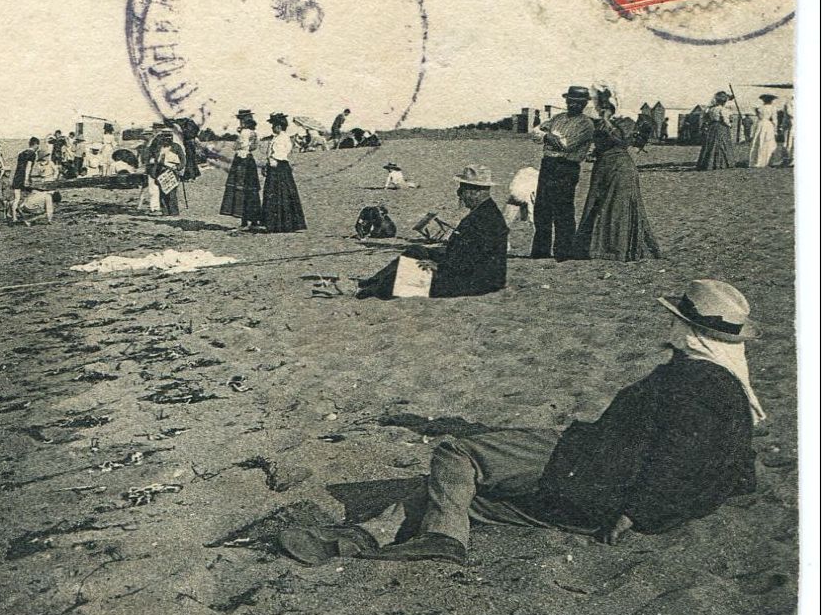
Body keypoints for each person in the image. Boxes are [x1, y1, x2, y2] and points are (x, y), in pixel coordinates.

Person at [278, 279, 762, 566]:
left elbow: (675, 454)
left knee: (456, 454)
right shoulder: (734, 392)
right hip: (599, 506)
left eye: (677, 320)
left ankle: (442, 539)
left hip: (590, 468)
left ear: (691, 330)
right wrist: (642, 513)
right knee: (461, 496)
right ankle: (363, 537)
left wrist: (634, 509)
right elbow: (734, 471)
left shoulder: (687, 382)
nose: (670, 326)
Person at [357, 165, 508, 300]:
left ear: (475, 192)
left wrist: (440, 266)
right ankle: (372, 281)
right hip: (470, 272)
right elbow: (469, 253)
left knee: (406, 275)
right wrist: (439, 258)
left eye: (462, 189)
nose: (458, 194)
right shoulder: (484, 211)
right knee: (415, 251)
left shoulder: (483, 219)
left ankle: (368, 291)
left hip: (475, 281)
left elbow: (471, 260)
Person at [574, 117, 661, 261]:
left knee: (618, 207)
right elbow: (601, 142)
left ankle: (615, 249)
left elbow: (621, 142)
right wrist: (594, 152)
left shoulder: (626, 123)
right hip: (603, 167)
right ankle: (594, 247)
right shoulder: (603, 122)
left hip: (620, 169)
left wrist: (610, 127)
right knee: (597, 205)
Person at [530, 86, 594, 260]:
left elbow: (567, 145)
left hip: (566, 168)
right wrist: (547, 137)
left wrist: (548, 137)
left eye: (578, 102)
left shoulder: (586, 124)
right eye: (571, 101)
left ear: (584, 104)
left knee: (563, 210)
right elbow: (535, 132)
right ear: (566, 101)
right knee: (542, 209)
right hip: (548, 165)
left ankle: (563, 252)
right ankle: (540, 252)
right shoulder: (557, 118)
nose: (573, 105)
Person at [260, 113, 306, 233]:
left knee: (279, 194)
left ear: (279, 126)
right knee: (277, 194)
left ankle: (281, 224)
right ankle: (276, 224)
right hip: (277, 167)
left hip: (278, 167)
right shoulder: (278, 137)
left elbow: (279, 154)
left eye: (274, 125)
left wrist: (271, 162)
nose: (272, 128)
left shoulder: (282, 138)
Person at [219, 108, 263, 229]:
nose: (240, 122)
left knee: (241, 189)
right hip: (249, 159)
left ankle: (244, 221)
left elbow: (236, 146)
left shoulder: (244, 133)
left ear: (244, 121)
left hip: (242, 160)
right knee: (251, 190)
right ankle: (253, 220)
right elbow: (253, 147)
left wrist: (240, 137)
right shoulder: (253, 133)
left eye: (241, 120)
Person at [696, 90, 736, 170]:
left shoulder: (711, 109)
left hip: (712, 127)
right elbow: (725, 120)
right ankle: (721, 164)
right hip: (721, 127)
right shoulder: (723, 109)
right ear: (724, 101)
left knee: (711, 144)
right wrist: (730, 125)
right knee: (722, 144)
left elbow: (706, 119)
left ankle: (707, 163)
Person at [11, 137, 40, 223]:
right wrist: (27, 179)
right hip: (23, 177)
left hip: (17, 176)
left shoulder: (21, 153)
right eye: (38, 145)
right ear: (35, 144)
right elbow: (28, 167)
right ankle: (21, 209)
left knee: (16, 198)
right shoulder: (32, 154)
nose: (38, 147)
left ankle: (14, 217)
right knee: (30, 195)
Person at [153, 132, 183, 216]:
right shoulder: (159, 147)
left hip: (172, 172)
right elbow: (155, 160)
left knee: (172, 193)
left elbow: (182, 159)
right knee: (162, 193)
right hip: (161, 172)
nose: (167, 140)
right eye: (165, 138)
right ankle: (165, 211)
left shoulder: (176, 147)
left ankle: (174, 212)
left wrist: (178, 167)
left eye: (169, 138)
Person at [747, 94, 781, 168]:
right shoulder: (773, 108)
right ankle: (766, 161)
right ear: (771, 100)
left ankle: (757, 160)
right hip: (768, 125)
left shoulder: (760, 108)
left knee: (759, 140)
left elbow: (758, 116)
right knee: (768, 141)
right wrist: (775, 129)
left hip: (760, 124)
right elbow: (775, 119)